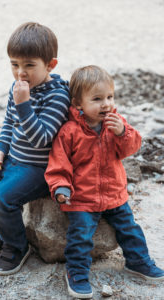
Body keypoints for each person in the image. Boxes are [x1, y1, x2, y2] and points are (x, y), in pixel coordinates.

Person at [45, 65, 164, 299]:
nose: (106, 104)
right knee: (80, 236)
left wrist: (123, 133)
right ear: (78, 104)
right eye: (97, 99)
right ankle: (76, 273)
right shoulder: (69, 131)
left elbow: (131, 148)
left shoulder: (115, 123)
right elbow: (58, 164)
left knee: (130, 229)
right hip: (81, 197)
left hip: (114, 194)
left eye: (110, 97)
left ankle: (138, 261)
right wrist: (60, 187)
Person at [0, 22, 70, 276]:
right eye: (14, 64)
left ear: (51, 65)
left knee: (0, 197)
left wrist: (23, 104)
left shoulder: (56, 96)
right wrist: (0, 149)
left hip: (38, 168)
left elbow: (42, 139)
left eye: (29, 65)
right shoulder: (17, 89)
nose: (20, 73)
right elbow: (8, 124)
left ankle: (16, 247)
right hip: (13, 160)